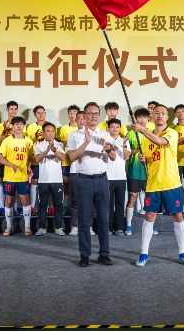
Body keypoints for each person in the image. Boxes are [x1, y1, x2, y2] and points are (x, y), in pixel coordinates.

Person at [133, 104, 184, 267]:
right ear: (152, 116)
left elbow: (160, 141)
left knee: (178, 216)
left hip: (171, 183)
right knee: (149, 216)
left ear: (167, 117)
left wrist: (142, 130)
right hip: (153, 184)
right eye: (156, 113)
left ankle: (183, 252)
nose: (159, 115)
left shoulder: (171, 133)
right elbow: (149, 158)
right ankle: (143, 253)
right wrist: (143, 159)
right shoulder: (145, 138)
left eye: (163, 113)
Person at [67, 102, 115, 267]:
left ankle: (104, 254)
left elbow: (113, 157)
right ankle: (85, 255)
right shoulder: (75, 135)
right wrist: (86, 143)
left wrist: (108, 149)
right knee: (84, 220)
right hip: (84, 180)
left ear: (99, 116)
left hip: (102, 180)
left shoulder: (105, 134)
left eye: (96, 113)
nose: (93, 116)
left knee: (103, 219)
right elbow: (72, 157)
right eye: (90, 113)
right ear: (84, 116)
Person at [0, 116, 34, 236]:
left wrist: (29, 166)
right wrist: (11, 165)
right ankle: (8, 227)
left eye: (21, 124)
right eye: (16, 124)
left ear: (24, 126)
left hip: (23, 177)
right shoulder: (7, 140)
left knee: (25, 200)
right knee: (8, 201)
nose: (18, 126)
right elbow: (0, 158)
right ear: (13, 126)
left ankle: (27, 227)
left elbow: (30, 157)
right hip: (9, 177)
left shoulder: (28, 141)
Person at [33, 122, 66, 236]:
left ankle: (59, 227)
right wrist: (47, 150)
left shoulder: (59, 145)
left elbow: (62, 158)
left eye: (52, 131)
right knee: (42, 205)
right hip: (43, 180)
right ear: (43, 133)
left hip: (57, 180)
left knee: (58, 205)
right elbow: (37, 159)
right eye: (48, 131)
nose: (50, 133)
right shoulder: (39, 145)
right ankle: (42, 227)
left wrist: (54, 150)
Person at [124, 108, 149, 236]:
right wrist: (137, 150)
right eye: (139, 117)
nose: (142, 119)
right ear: (136, 119)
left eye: (144, 117)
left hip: (148, 171)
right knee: (132, 197)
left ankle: (151, 225)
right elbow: (126, 152)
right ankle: (128, 225)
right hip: (134, 170)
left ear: (148, 119)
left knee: (148, 199)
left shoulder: (151, 133)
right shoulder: (130, 133)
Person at [106, 119, 130, 236]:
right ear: (108, 129)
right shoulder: (105, 140)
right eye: (112, 127)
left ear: (120, 129)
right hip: (107, 177)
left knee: (120, 203)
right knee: (108, 204)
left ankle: (119, 228)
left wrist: (124, 145)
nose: (115, 129)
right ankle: (108, 228)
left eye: (117, 127)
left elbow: (126, 157)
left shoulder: (124, 141)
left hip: (121, 177)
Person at [66, 111, 87, 236]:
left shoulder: (94, 134)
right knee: (75, 200)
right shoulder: (72, 135)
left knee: (89, 201)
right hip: (75, 170)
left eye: (84, 118)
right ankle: (74, 226)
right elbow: (71, 155)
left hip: (89, 171)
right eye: (79, 118)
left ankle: (89, 226)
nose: (81, 120)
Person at [25, 105, 48, 212]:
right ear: (35, 115)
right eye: (38, 113)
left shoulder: (50, 126)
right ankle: (33, 206)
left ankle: (45, 207)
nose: (41, 115)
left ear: (45, 113)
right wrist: (36, 137)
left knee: (46, 183)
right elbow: (28, 143)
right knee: (34, 182)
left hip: (47, 159)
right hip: (35, 158)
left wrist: (45, 136)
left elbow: (54, 140)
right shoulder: (30, 127)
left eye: (42, 112)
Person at [58, 105, 80, 202]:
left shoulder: (82, 128)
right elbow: (60, 144)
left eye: (74, 112)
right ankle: (66, 205)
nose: (72, 115)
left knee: (78, 184)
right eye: (70, 113)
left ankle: (78, 204)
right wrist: (66, 142)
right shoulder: (63, 128)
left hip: (78, 161)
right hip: (66, 160)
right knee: (66, 183)